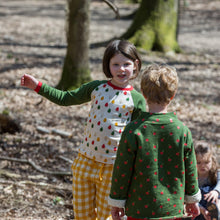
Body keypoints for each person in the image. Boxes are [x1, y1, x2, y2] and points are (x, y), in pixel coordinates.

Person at [20, 39, 146, 220]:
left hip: (113, 168)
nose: (121, 69)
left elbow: (138, 137)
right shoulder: (97, 88)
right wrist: (38, 86)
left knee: (107, 217)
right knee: (82, 215)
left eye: (126, 64)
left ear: (135, 65)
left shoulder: (137, 100)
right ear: (107, 66)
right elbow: (65, 98)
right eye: (115, 64)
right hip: (85, 163)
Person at [108, 64, 202, 220]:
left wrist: (117, 201)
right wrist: (192, 200)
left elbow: (122, 170)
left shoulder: (133, 130)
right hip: (172, 209)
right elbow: (190, 169)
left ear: (143, 93)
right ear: (173, 95)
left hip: (138, 209)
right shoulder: (182, 130)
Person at [194, 141, 220, 220]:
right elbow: (189, 195)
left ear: (212, 160)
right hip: (199, 205)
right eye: (198, 162)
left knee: (217, 198)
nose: (203, 166)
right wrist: (201, 209)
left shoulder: (215, 172)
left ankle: (217, 212)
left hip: (213, 201)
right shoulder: (192, 176)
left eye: (206, 162)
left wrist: (216, 191)